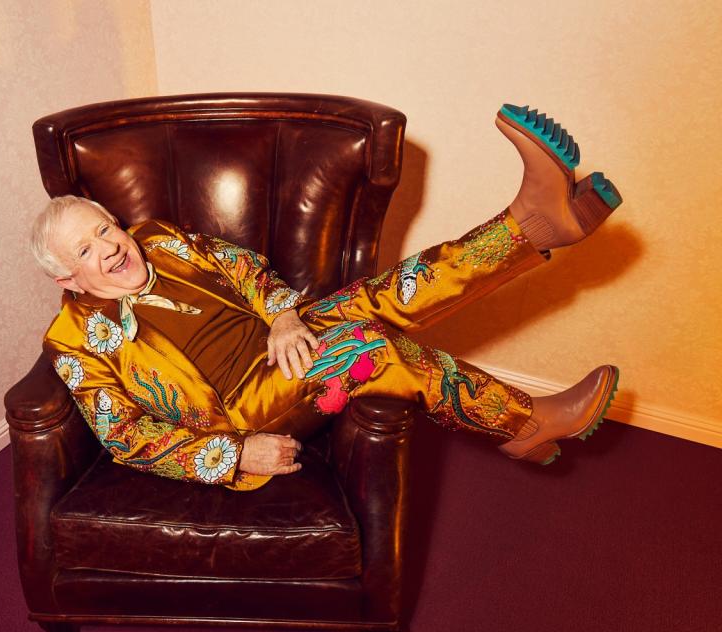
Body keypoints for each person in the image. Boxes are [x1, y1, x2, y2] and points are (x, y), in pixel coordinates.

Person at [31, 104, 622, 491]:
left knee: (389, 290)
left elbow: (243, 268)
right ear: (68, 281)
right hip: (241, 406)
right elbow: (126, 438)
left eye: (105, 228)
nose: (109, 248)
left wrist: (284, 315)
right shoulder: (72, 341)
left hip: (281, 340)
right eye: (85, 251)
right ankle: (526, 423)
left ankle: (532, 226)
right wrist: (233, 455)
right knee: (371, 347)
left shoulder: (157, 238)